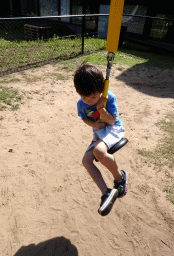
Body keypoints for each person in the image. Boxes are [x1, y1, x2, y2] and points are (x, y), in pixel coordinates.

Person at [74, 64, 128, 216]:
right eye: (84, 97)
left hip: (113, 128)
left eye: (93, 97)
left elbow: (111, 121)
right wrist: (94, 124)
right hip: (99, 132)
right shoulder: (81, 103)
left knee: (99, 151)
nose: (89, 101)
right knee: (86, 161)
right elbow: (84, 119)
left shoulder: (108, 97)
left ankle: (120, 178)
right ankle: (106, 193)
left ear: (101, 90)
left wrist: (100, 108)